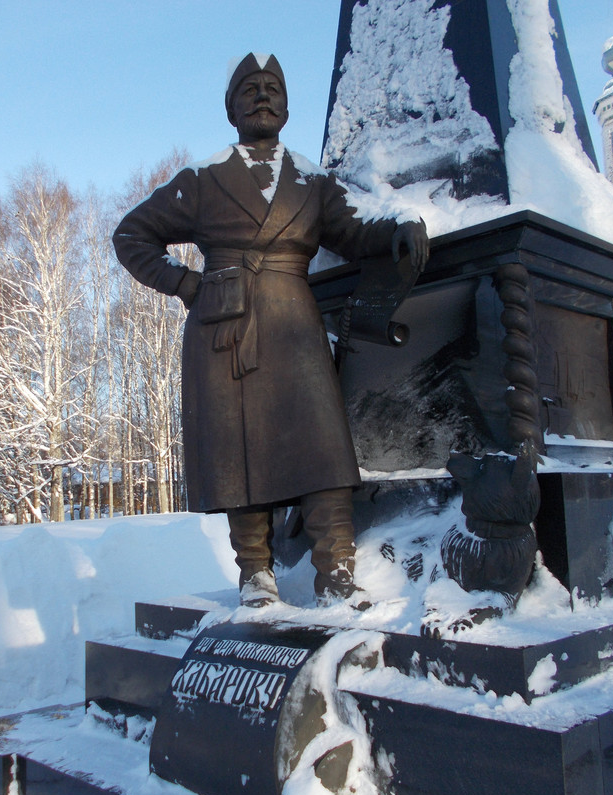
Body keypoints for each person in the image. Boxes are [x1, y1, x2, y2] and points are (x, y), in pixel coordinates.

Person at [113, 53, 428, 608]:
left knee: (323, 447)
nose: (263, 95)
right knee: (241, 452)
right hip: (225, 330)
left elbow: (352, 233)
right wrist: (188, 286)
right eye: (250, 88)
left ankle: (336, 572)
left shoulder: (312, 180)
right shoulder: (205, 179)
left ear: (286, 105)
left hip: (294, 321)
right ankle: (255, 573)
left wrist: (397, 228)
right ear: (231, 107)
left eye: (273, 88)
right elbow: (132, 235)